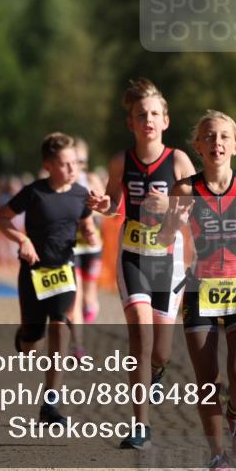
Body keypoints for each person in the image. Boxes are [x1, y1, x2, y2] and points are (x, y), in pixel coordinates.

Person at [158, 110, 236, 471]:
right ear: (198, 146)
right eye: (209, 136)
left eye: (224, 136)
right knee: (207, 379)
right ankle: (217, 457)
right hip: (200, 290)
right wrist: (174, 223)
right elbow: (164, 237)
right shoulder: (184, 190)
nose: (217, 143)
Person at [87, 78, 196, 449]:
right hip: (132, 257)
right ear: (130, 123)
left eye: (153, 114)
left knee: (160, 350)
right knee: (140, 335)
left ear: (165, 121)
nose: (147, 120)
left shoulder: (178, 161)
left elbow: (199, 203)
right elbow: (114, 202)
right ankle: (140, 425)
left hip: (168, 261)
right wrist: (104, 206)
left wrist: (171, 206)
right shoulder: (121, 161)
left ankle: (159, 370)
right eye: (140, 115)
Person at [0, 133, 99, 426]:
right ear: (48, 165)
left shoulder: (80, 194)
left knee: (61, 324)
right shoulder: (34, 192)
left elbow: (85, 221)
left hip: (64, 270)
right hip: (33, 273)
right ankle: (24, 336)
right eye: (65, 164)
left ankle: (50, 403)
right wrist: (22, 240)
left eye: (74, 163)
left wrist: (89, 232)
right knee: (32, 345)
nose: (72, 168)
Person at [70, 138, 106, 358]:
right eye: (74, 160)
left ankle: (88, 311)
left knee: (89, 299)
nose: (77, 165)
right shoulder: (63, 182)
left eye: (82, 161)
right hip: (71, 247)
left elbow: (107, 209)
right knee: (75, 294)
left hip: (92, 245)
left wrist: (95, 208)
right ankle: (79, 345)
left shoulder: (90, 179)